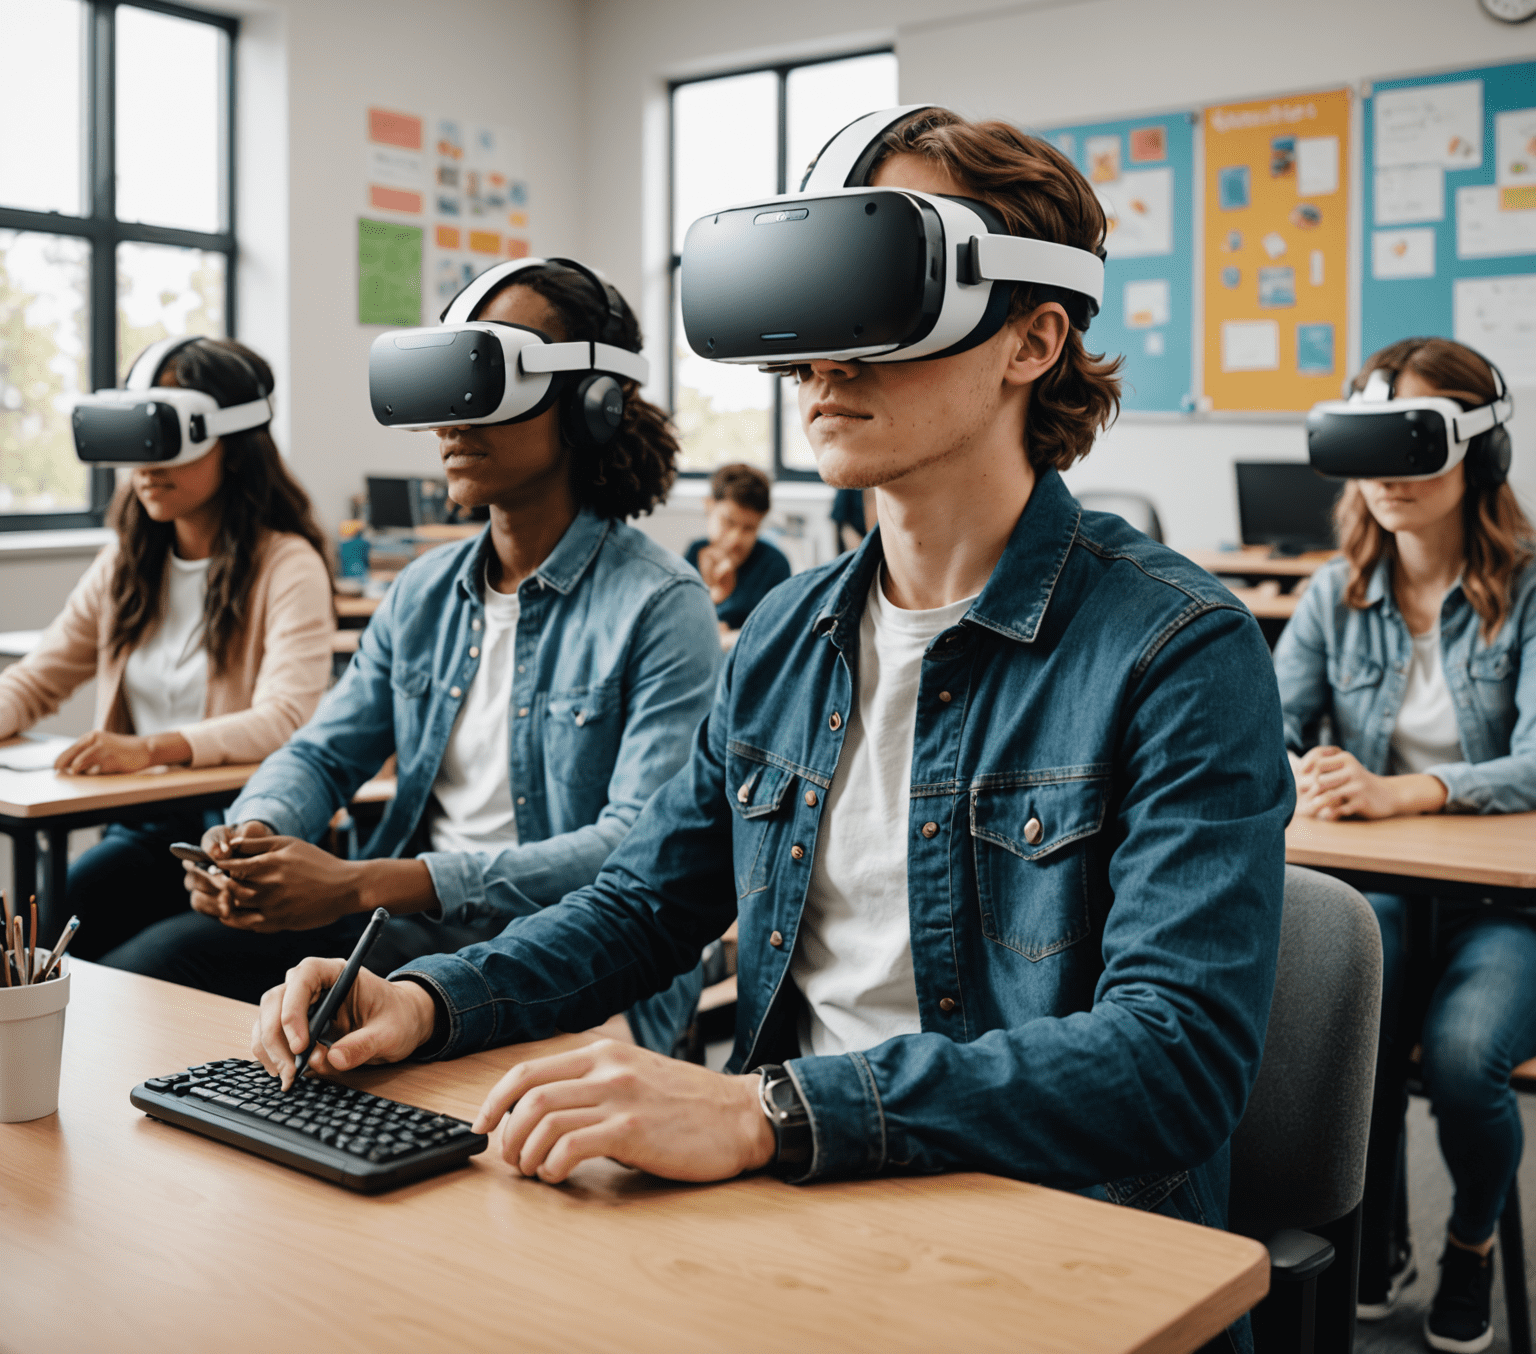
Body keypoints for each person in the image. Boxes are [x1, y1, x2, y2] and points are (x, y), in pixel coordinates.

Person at [252, 110, 1290, 1331]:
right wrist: (430, 1001)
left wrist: (767, 1110)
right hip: (793, 1204)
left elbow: (1174, 1061)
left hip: (1051, 1235)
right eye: (803, 314)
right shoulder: (790, 637)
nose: (820, 362)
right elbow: (645, 905)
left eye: (874, 300)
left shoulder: (1177, 647)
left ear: (1034, 337)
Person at [109, 260, 722, 1053]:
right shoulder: (423, 591)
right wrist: (255, 834)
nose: (453, 420)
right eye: (447, 387)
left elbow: (633, 846)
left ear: (592, 405)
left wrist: (364, 883)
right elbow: (324, 753)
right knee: (153, 976)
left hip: (574, 957)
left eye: (491, 382)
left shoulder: (661, 604)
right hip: (407, 934)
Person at [1274, 336, 1536, 1354]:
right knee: (1345, 1030)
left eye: (1412, 444)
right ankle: (1371, 1235)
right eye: (1367, 445)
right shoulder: (1331, 595)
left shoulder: (1528, 588)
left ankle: (1472, 1240)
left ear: (1482, 452)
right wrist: (1298, 769)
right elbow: (1272, 729)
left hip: (1503, 902)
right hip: (1378, 887)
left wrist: (1405, 789)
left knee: (1469, 1058)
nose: (1386, 475)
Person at [0, 338, 334, 963]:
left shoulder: (288, 565)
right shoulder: (129, 562)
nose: (147, 467)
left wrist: (150, 749)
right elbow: (38, 678)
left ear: (232, 446)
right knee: (23, 949)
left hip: (235, 838)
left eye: (171, 441)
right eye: (137, 443)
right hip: (145, 830)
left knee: (118, 975)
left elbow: (285, 719)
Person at [685, 463, 792, 649]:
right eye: (728, 522)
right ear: (709, 505)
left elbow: (779, 632)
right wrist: (714, 597)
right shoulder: (695, 553)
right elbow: (680, 620)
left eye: (749, 529)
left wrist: (733, 637)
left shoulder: (774, 564)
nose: (736, 539)